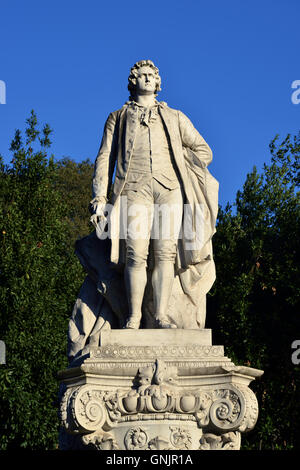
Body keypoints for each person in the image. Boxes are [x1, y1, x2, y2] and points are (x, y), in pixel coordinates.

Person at [89, 60, 217, 330]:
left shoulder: (175, 117)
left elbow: (205, 151)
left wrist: (180, 160)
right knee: (136, 255)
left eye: (152, 75)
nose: (147, 79)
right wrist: (99, 198)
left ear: (158, 83)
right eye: (142, 75)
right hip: (133, 189)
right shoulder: (118, 117)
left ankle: (160, 316)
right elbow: (105, 158)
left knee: (165, 254)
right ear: (133, 81)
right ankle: (133, 317)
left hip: (169, 189)